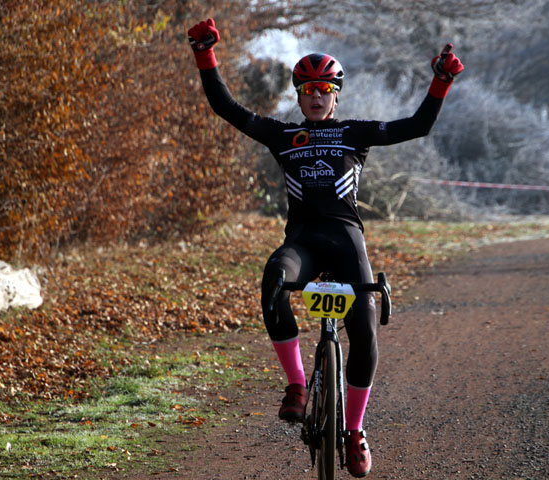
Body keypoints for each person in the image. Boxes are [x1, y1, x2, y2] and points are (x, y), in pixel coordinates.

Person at [187, 18, 463, 477]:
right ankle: (297, 385)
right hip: (303, 242)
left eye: (324, 89)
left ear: (336, 95)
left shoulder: (355, 132)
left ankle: (354, 430)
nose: (316, 96)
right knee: (274, 279)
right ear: (299, 96)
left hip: (346, 239)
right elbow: (226, 108)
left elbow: (417, 125)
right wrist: (204, 52)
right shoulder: (282, 136)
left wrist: (441, 80)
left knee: (366, 331)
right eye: (308, 89)